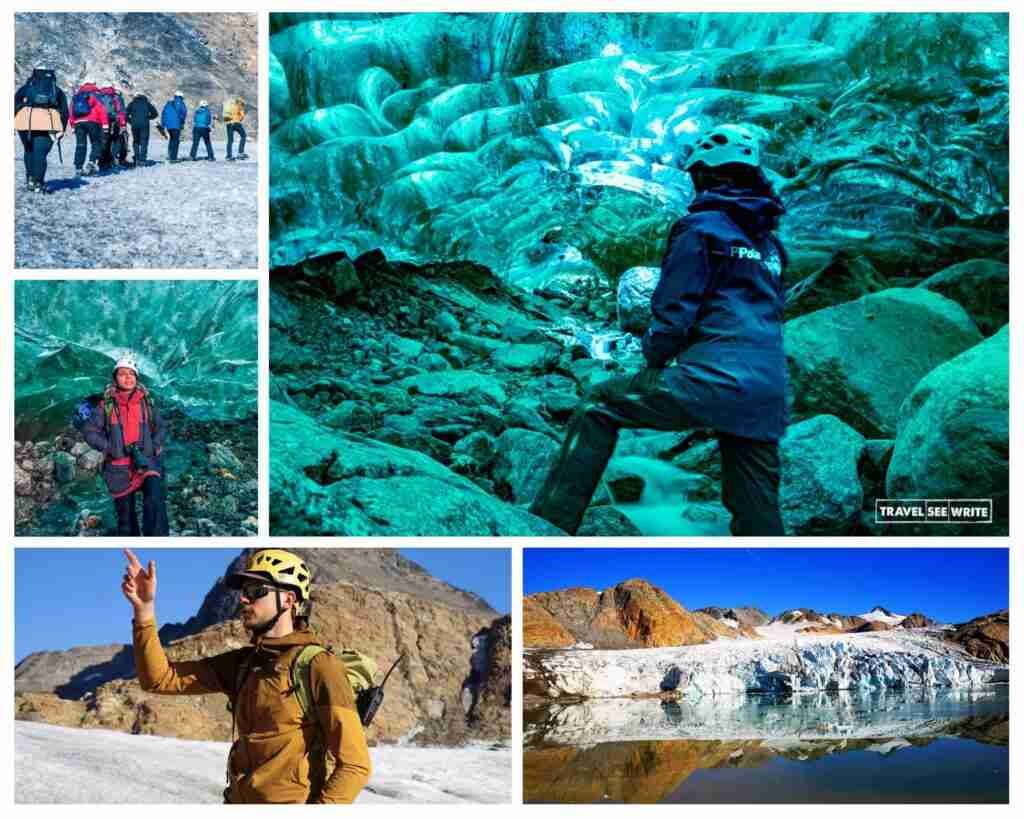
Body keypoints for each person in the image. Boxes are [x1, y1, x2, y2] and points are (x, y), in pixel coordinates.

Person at [530, 123, 789, 536]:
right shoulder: (771, 246)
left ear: (705, 175)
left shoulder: (701, 228)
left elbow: (674, 310)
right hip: (767, 391)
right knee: (756, 510)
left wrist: (651, 360)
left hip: (711, 379)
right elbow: (771, 312)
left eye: (693, 176)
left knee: (598, 405)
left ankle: (546, 528)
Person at [121, 548, 372, 804]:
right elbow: (159, 678)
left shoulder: (318, 666)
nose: (243, 599)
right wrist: (144, 611)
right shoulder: (243, 664)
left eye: (255, 591)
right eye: (244, 592)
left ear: (287, 600)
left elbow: (355, 765)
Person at [82, 354, 169, 537]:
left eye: (132, 374)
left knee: (155, 500)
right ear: (115, 378)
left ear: (137, 378)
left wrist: (153, 446)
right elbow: (89, 431)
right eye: (122, 374)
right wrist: (109, 448)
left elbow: (161, 426)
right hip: (118, 468)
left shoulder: (146, 402)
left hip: (146, 462)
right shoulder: (105, 406)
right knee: (126, 518)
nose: (128, 377)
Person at [14, 67, 69, 193]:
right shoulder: (56, 90)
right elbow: (65, 111)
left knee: (29, 150)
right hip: (48, 122)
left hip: (25, 122)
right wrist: (62, 128)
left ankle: (30, 179)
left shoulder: (27, 87)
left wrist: (17, 116)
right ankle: (38, 182)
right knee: (40, 153)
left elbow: (14, 102)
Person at [68, 79, 108, 177]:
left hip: (78, 123)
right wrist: (105, 125)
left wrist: (72, 125)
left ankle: (78, 167)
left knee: (80, 144)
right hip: (93, 122)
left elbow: (71, 111)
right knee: (96, 142)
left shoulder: (77, 96)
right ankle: (91, 162)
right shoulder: (96, 95)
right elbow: (102, 110)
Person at [125, 92, 158, 166]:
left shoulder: (132, 103)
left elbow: (125, 114)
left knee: (136, 141)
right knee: (144, 141)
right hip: (144, 125)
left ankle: (137, 158)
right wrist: (148, 118)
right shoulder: (147, 103)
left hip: (134, 125)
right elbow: (155, 114)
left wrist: (130, 121)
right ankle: (142, 160)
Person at [161, 91, 188, 162]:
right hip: (176, 125)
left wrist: (163, 124)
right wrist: (182, 122)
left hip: (168, 126)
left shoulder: (168, 103)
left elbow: (163, 114)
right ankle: (173, 158)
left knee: (172, 139)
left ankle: (170, 155)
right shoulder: (181, 103)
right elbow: (184, 113)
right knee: (175, 141)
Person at [223, 96, 248, 161]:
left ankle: (229, 156)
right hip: (236, 123)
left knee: (230, 140)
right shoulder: (239, 106)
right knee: (244, 136)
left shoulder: (230, 105)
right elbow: (242, 116)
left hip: (228, 124)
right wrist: (241, 116)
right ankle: (240, 152)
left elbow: (225, 116)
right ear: (240, 102)